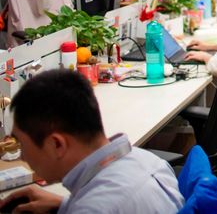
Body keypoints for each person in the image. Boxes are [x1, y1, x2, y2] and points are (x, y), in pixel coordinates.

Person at [0, 69, 183, 213]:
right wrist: (65, 205)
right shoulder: (148, 161)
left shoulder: (96, 208)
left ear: (56, 144)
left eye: (22, 144)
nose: (22, 157)